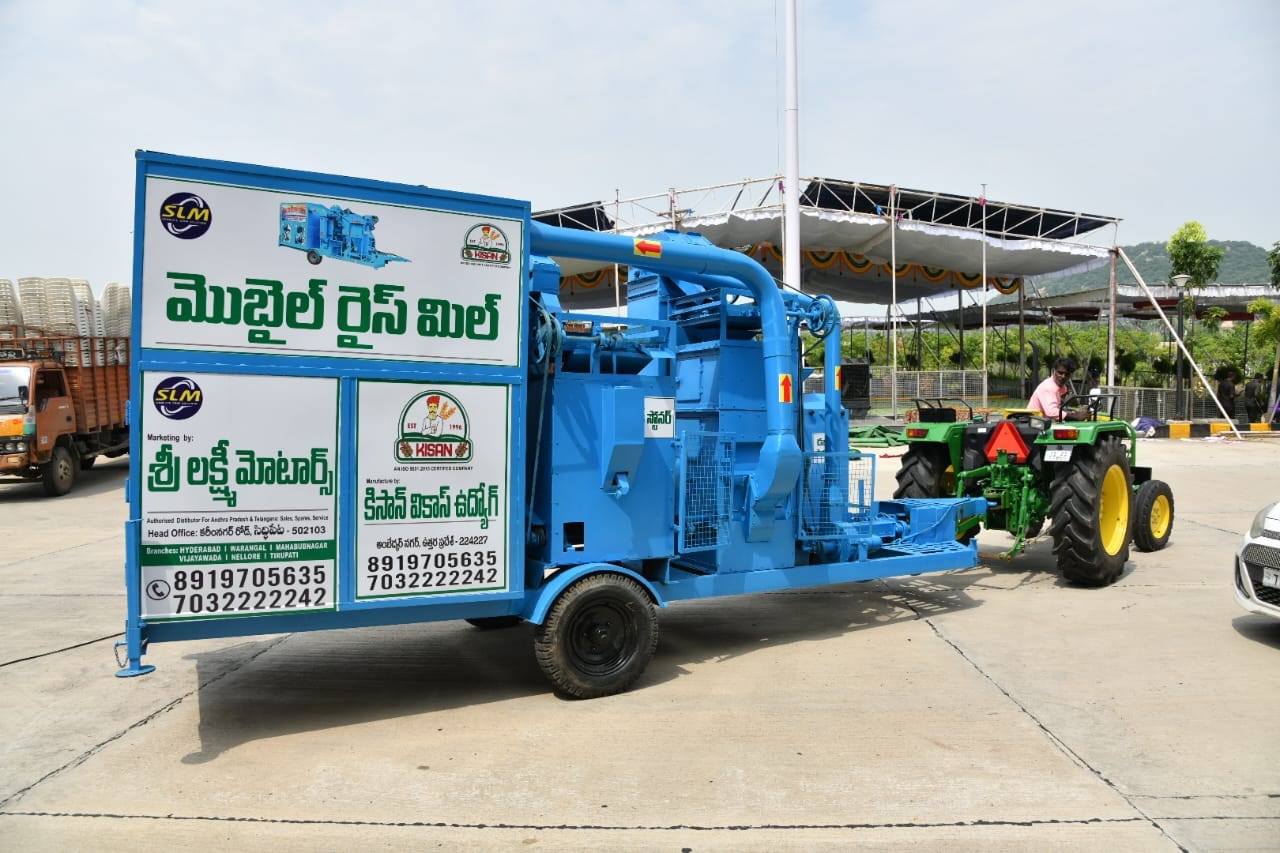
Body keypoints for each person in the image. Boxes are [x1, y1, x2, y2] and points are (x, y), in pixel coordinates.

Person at [1027, 356, 1085, 420]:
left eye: (1067, 374)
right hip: (1035, 424)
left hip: (1046, 422)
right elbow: (1051, 412)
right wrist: (1076, 416)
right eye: (1060, 373)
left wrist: (1069, 404)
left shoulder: (1063, 387)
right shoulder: (1048, 387)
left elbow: (1058, 406)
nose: (1063, 376)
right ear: (1053, 371)